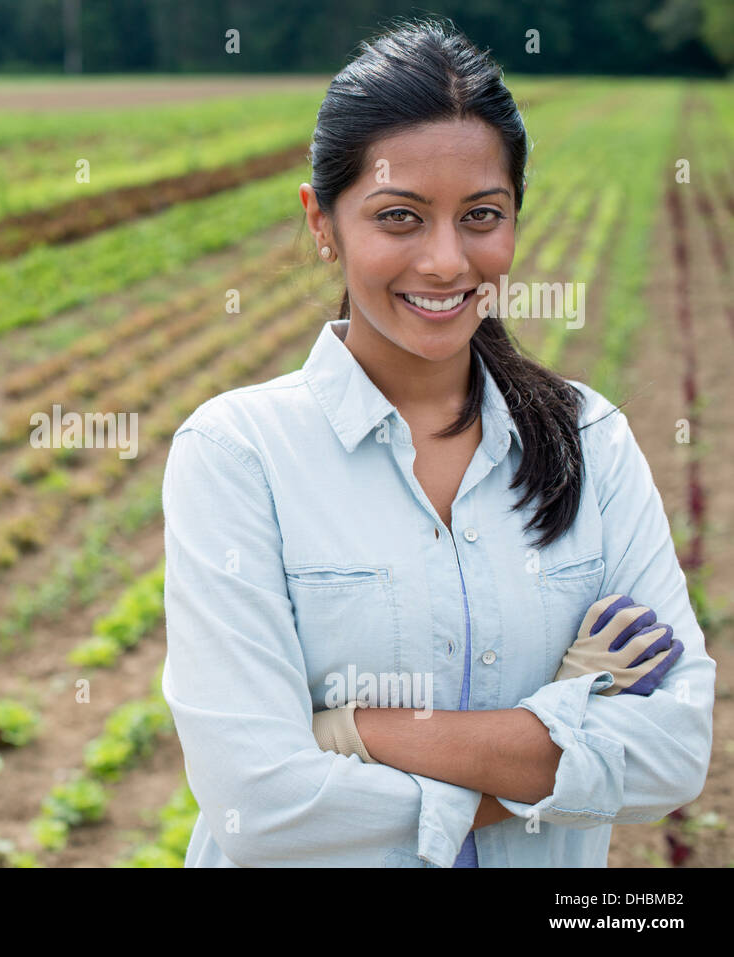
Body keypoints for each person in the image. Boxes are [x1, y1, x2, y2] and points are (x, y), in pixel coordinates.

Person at [160, 19, 715, 867]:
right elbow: (263, 804)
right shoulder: (239, 456)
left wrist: (355, 732)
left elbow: (674, 751)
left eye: (481, 215)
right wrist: (556, 732)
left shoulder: (591, 440)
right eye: (400, 218)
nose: (448, 261)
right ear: (323, 223)